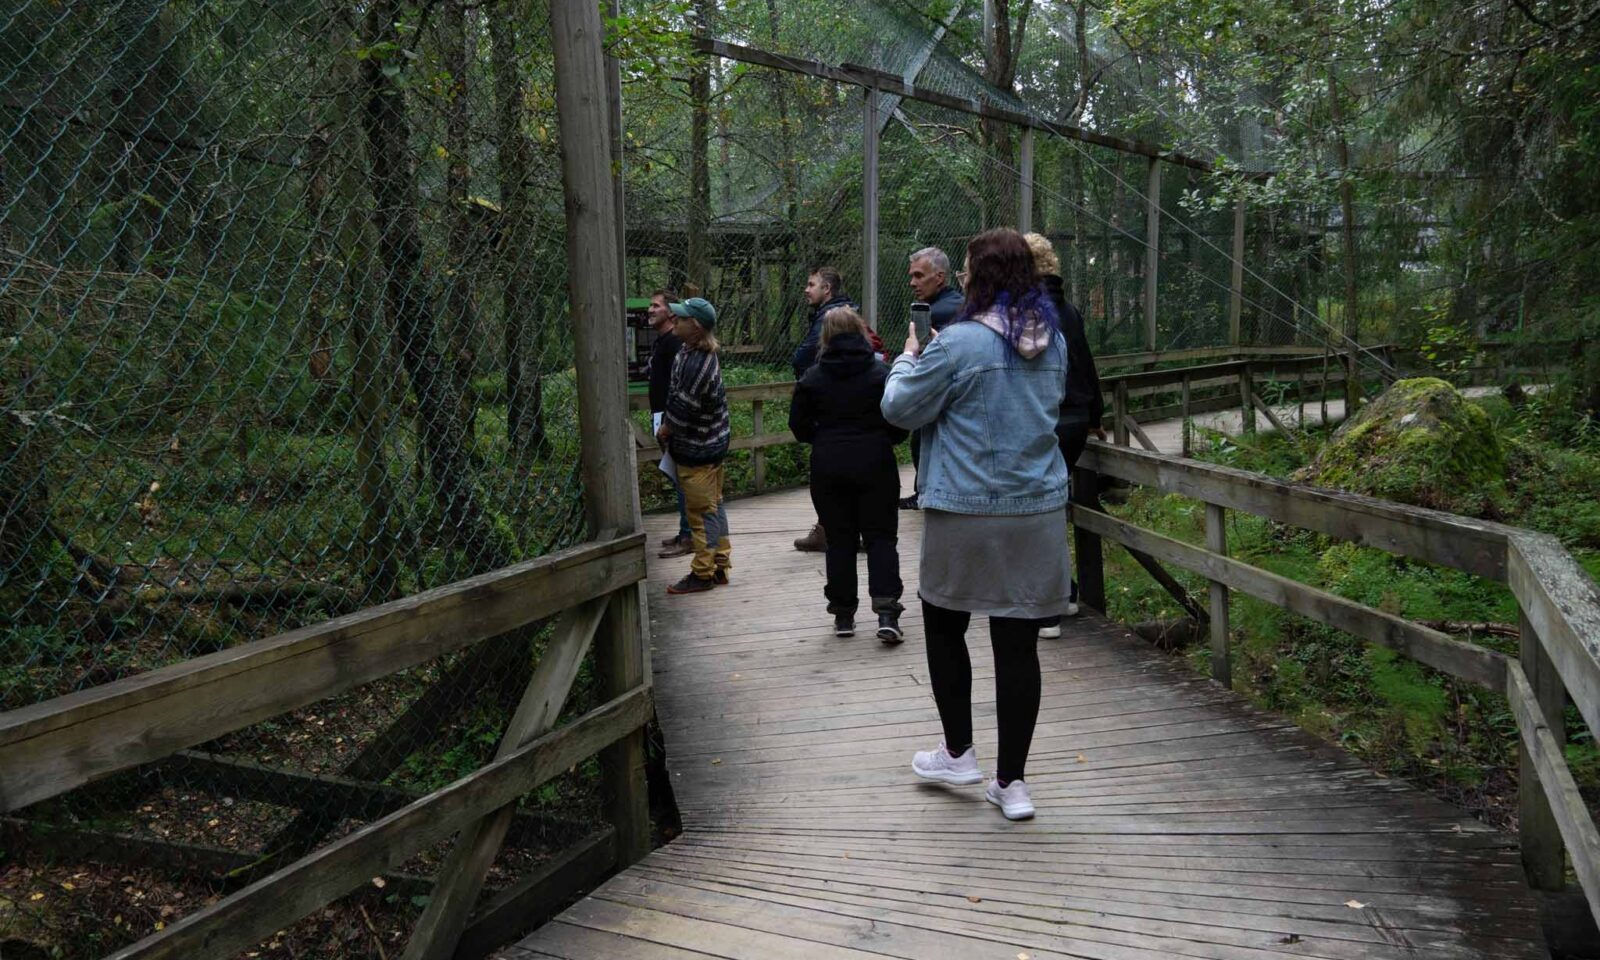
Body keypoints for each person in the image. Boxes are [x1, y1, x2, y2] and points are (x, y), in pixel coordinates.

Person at [881, 228, 1073, 821]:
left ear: (982, 277)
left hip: (964, 509)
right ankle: (1011, 783)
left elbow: (899, 408)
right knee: (1018, 646)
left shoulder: (957, 343)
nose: (962, 279)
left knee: (943, 625)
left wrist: (909, 359)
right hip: (1035, 509)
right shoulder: (1055, 343)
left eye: (966, 270)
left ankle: (958, 751)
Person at [789, 306, 907, 642]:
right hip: (875, 461)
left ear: (825, 337)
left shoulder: (812, 378)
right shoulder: (881, 374)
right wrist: (885, 439)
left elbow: (797, 426)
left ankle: (843, 614)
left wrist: (823, 438)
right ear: (860, 331)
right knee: (881, 537)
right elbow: (899, 418)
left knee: (839, 539)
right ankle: (886, 611)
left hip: (829, 464)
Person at [1024, 232, 1106, 638]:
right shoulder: (1068, 309)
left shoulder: (1027, 311)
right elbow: (1086, 363)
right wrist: (1095, 414)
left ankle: (1049, 610)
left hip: (1048, 417)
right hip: (1074, 419)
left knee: (1040, 512)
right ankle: (1068, 593)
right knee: (1051, 507)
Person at [658, 297, 732, 595]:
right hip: (706, 446)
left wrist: (665, 428)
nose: (674, 320)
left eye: (682, 318)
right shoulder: (690, 352)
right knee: (713, 505)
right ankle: (720, 564)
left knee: (701, 513)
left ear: (696, 326)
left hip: (699, 450)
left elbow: (683, 407)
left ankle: (702, 572)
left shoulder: (699, 362)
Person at [791, 267, 856, 553]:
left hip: (829, 403)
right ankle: (844, 528)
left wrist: (808, 380)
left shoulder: (829, 317)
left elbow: (803, 356)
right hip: (854, 404)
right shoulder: (849, 313)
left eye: (811, 284)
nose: (806, 289)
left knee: (827, 473)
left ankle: (828, 530)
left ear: (827, 289)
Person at [901, 247, 964, 510]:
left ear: (939, 277)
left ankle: (925, 493)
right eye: (911, 276)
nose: (912, 282)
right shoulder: (954, 303)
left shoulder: (936, 313)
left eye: (919, 275)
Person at [645, 289, 694, 558]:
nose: (650, 310)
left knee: (681, 478)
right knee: (675, 476)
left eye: (656, 306)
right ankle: (684, 530)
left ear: (670, 312)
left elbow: (678, 389)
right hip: (660, 417)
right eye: (650, 306)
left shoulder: (675, 343)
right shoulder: (662, 341)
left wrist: (668, 421)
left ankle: (688, 535)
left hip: (670, 419)